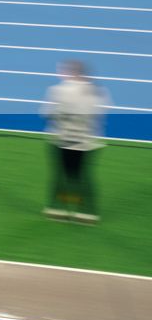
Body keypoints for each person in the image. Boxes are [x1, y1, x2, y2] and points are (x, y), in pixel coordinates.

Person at [43, 61, 110, 223]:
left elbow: (49, 113)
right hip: (86, 143)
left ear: (69, 72)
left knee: (61, 178)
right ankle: (87, 212)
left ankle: (57, 209)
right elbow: (100, 112)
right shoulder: (98, 91)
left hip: (63, 141)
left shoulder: (58, 90)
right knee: (83, 178)